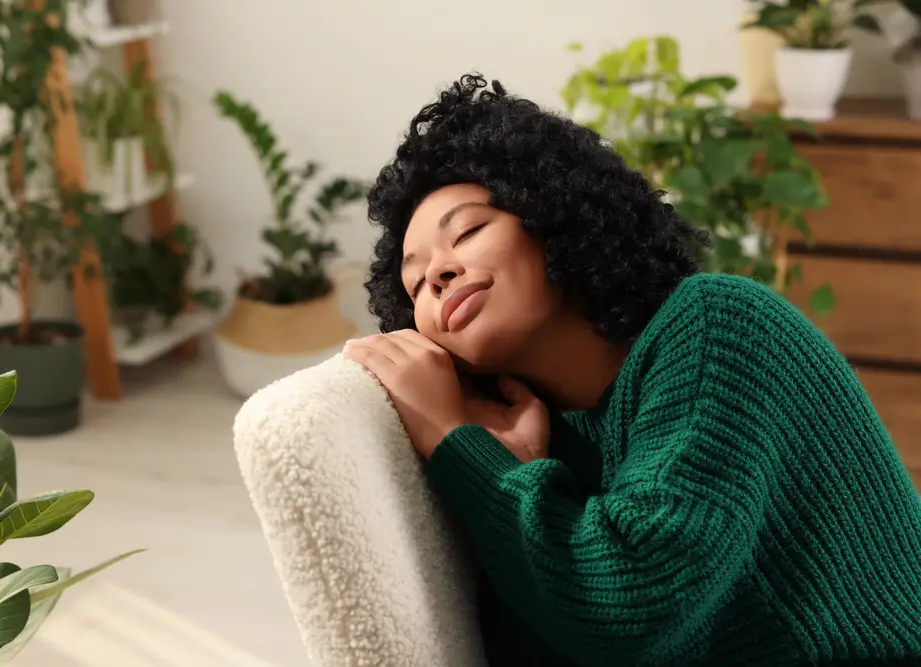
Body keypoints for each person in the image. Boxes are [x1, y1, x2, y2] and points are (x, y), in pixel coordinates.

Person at [342, 73, 921, 667]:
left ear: (554, 219)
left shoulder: (720, 325)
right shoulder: (543, 434)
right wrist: (532, 469)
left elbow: (630, 602)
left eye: (466, 232)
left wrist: (450, 437)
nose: (437, 275)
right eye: (416, 282)